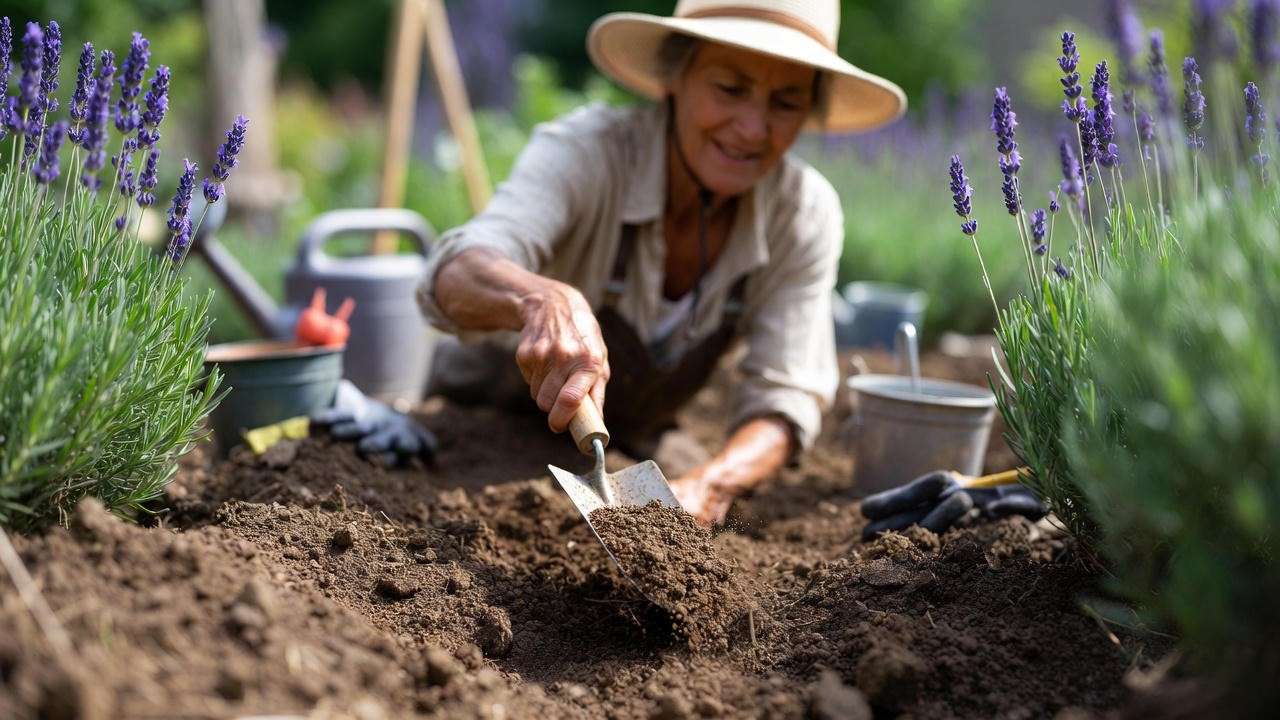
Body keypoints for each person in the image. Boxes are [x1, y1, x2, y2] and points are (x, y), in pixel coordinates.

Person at [323, 0, 905, 526]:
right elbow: (453, 272)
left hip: (632, 446)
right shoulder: (587, 153)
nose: (752, 129)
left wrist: (709, 485)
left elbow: (787, 397)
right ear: (675, 78)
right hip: (481, 433)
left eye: (785, 103)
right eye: (729, 88)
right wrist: (543, 300)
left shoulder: (802, 212)